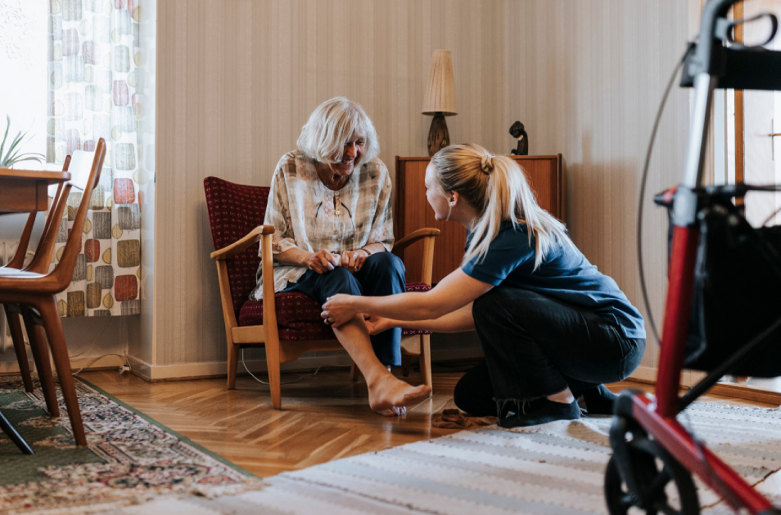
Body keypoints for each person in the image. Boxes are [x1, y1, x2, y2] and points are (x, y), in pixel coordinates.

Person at [322, 143, 646, 427]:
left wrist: (356, 303)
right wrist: (394, 319)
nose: (425, 195)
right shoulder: (485, 230)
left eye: (427, 187)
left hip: (615, 341)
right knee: (472, 395)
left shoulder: (510, 234)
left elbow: (435, 302)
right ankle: (593, 396)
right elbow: (472, 313)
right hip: (586, 339)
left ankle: (558, 403)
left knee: (496, 303)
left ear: (452, 196)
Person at [250, 97, 431, 416]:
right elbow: (274, 241)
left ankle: (385, 374)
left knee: (389, 263)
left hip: (357, 268)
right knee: (338, 276)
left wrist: (361, 253)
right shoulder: (291, 167)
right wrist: (309, 258)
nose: (352, 153)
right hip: (298, 272)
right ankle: (378, 382)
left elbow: (384, 240)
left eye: (359, 143)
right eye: (343, 143)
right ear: (322, 141)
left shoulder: (375, 172)